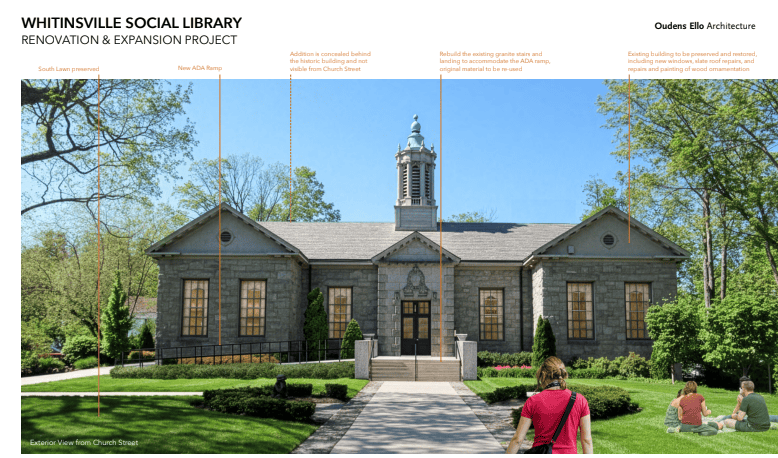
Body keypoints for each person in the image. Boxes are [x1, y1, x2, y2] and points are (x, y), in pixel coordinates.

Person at [506, 356, 593, 454]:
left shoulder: (533, 401)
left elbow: (517, 439)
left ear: (542, 376)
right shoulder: (580, 400)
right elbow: (586, 440)